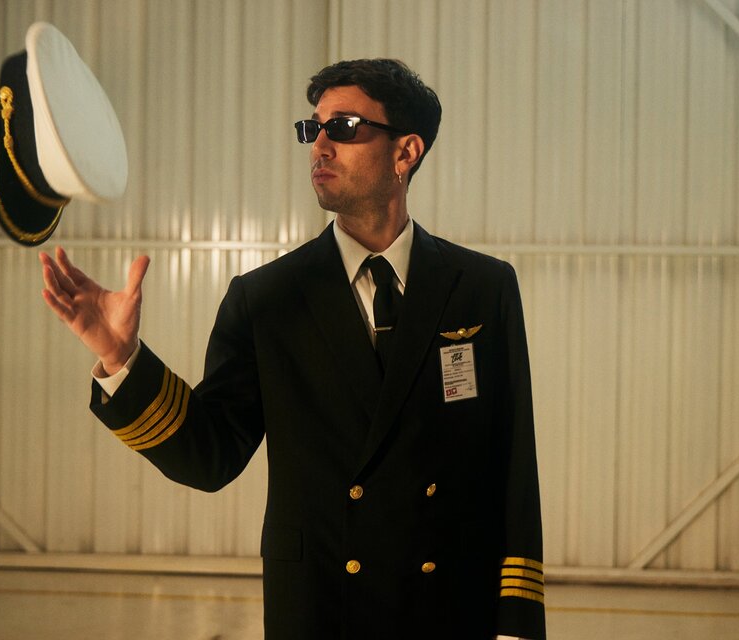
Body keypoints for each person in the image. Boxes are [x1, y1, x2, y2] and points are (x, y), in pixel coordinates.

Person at [40, 58, 545, 640]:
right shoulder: (267, 299)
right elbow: (210, 455)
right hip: (324, 608)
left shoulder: (482, 287)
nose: (320, 146)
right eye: (313, 128)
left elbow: (514, 464)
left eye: (345, 127)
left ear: (406, 152)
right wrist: (122, 360)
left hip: (453, 608)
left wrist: (518, 622)